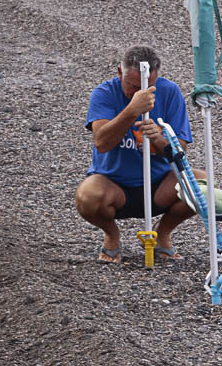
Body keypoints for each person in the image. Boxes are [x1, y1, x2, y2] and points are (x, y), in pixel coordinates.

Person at [75, 46, 201, 263]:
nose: (139, 91)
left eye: (147, 87)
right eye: (132, 86)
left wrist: (159, 139)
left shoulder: (169, 91)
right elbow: (102, 143)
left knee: (202, 187)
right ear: (119, 72)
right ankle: (112, 235)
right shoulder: (104, 93)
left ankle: (163, 234)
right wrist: (132, 110)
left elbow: (180, 153)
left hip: (158, 185)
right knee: (87, 196)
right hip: (113, 184)